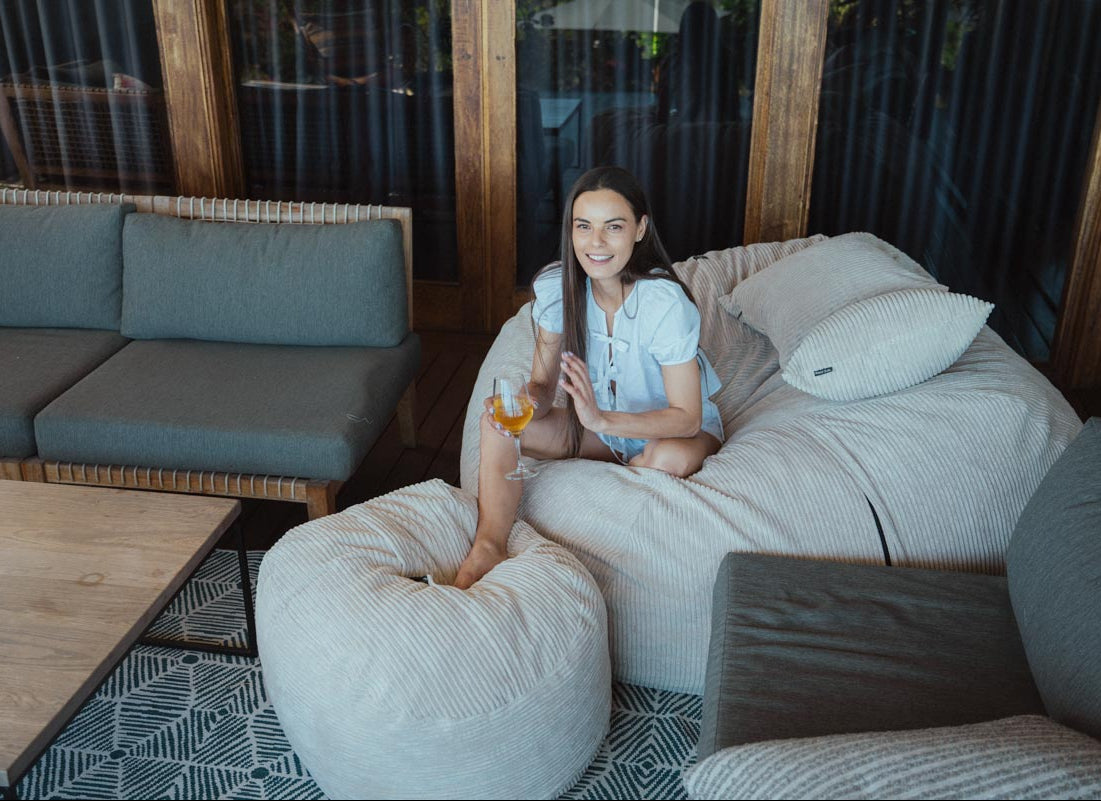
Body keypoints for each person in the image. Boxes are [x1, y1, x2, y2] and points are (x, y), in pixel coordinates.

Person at [454, 166, 724, 589]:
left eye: (613, 227)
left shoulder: (664, 304)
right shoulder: (559, 287)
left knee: (667, 457)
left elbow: (687, 418)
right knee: (497, 426)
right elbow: (542, 387)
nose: (595, 242)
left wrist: (599, 419)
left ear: (640, 229)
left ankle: (623, 492)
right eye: (584, 226)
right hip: (605, 435)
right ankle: (489, 545)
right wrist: (525, 403)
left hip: (672, 433)